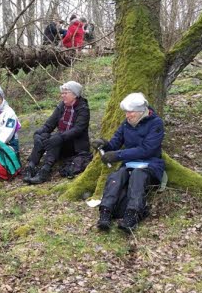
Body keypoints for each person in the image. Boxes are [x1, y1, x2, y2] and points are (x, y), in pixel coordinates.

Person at [92, 93, 165, 233]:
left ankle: (132, 214)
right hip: (129, 164)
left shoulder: (156, 123)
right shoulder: (126, 124)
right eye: (126, 112)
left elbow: (147, 150)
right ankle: (106, 212)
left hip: (151, 165)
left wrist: (118, 155)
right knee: (116, 176)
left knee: (138, 176)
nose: (127, 115)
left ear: (140, 111)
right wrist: (104, 145)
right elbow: (115, 143)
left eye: (130, 112)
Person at [23, 81, 90, 184]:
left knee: (56, 138)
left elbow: (78, 129)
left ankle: (45, 171)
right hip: (62, 140)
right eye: (62, 93)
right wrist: (38, 133)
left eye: (65, 93)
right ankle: (31, 167)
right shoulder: (61, 106)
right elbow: (49, 124)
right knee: (42, 136)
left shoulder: (83, 108)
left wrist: (61, 137)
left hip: (75, 146)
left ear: (74, 94)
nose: (62, 95)